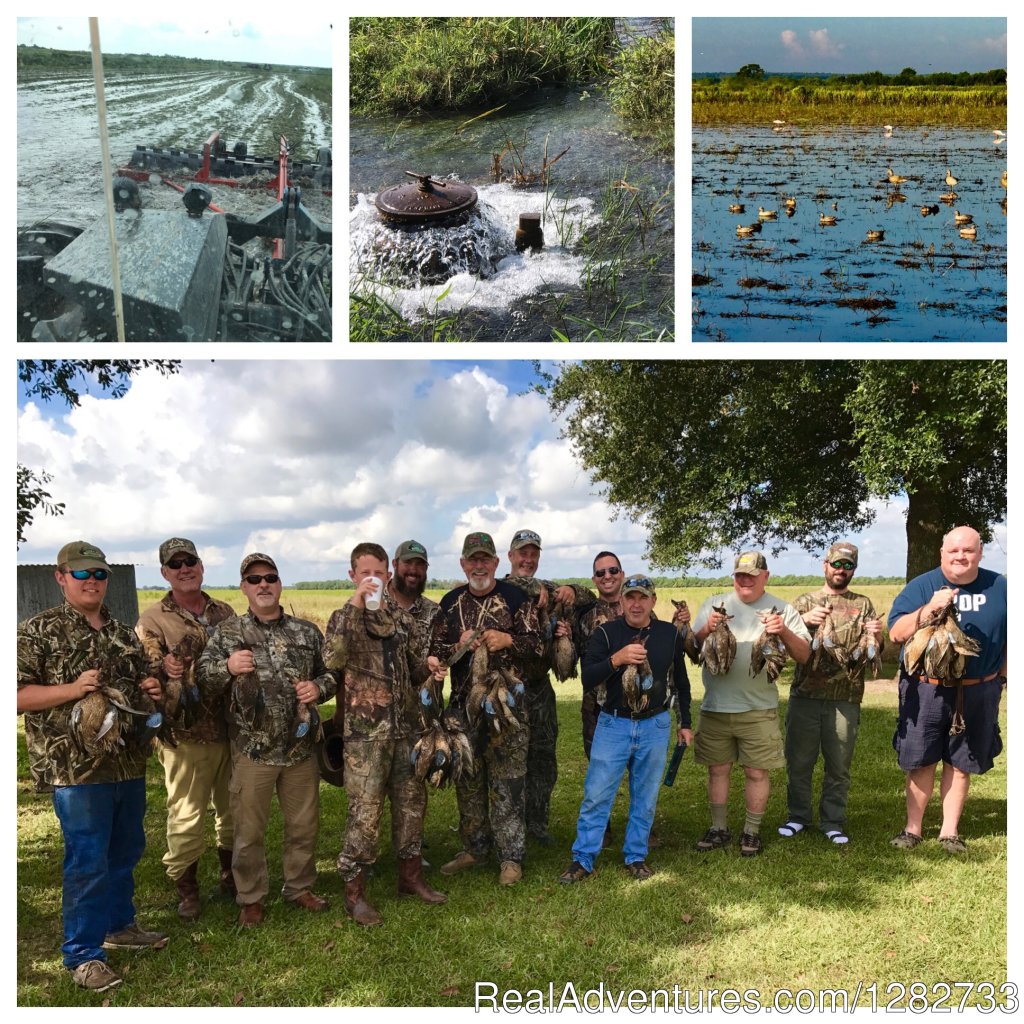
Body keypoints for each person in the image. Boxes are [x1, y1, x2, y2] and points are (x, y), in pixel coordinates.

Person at [17, 541, 167, 993]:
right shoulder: (37, 631)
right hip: (76, 772)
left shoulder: (123, 633)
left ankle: (119, 926)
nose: (93, 582)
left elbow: (140, 688)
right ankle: (83, 954)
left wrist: (151, 687)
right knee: (87, 859)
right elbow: (18, 696)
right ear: (61, 577)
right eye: (82, 575)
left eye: (99, 574)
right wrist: (72, 689)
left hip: (126, 764)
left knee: (125, 850)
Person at [197, 553, 336, 926]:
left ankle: (300, 887)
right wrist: (226, 667)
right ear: (243, 587)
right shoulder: (228, 633)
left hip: (300, 749)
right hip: (252, 750)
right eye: (254, 579)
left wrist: (317, 688)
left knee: (304, 825)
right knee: (248, 831)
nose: (263, 584)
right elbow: (202, 678)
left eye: (270, 578)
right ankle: (251, 897)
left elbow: (331, 675)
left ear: (279, 584)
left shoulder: (306, 632)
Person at [325, 543, 448, 927]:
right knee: (365, 814)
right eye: (365, 573)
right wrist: (356, 606)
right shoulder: (343, 617)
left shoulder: (401, 619)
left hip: (406, 730)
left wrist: (428, 667)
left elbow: (412, 671)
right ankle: (355, 893)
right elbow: (332, 660)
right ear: (353, 576)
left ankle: (410, 878)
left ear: (388, 574)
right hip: (366, 736)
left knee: (412, 803)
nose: (372, 579)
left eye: (378, 572)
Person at [559, 574, 691, 883]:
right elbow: (588, 678)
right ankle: (583, 857)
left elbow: (681, 682)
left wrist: (685, 723)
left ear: (653, 601)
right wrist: (616, 659)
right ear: (621, 600)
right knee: (596, 794)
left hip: (655, 724)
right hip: (613, 723)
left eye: (642, 597)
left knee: (645, 796)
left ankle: (636, 856)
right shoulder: (606, 634)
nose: (636, 603)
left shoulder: (668, 633)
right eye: (630, 597)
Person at [428, 532, 541, 886]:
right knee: (469, 780)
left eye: (485, 559)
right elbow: (436, 654)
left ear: (496, 563)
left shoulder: (515, 597)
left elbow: (539, 647)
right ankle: (475, 848)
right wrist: (455, 645)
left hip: (507, 709)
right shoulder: (449, 603)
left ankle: (511, 858)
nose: (479, 565)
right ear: (463, 564)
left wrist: (509, 639)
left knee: (508, 781)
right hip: (463, 709)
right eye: (472, 559)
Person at [888, 526, 1006, 854]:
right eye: (953, 550)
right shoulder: (921, 586)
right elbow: (896, 633)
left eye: (968, 550)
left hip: (978, 689)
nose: (960, 556)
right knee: (921, 759)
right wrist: (929, 609)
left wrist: (1002, 675)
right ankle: (913, 829)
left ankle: (949, 832)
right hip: (927, 688)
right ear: (942, 552)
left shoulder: (1000, 586)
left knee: (961, 761)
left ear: (980, 554)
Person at [135, 538, 236, 920]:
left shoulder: (224, 611)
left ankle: (229, 874)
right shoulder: (153, 619)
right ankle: (187, 887)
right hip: (185, 735)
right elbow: (143, 672)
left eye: (189, 560)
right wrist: (163, 668)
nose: (183, 568)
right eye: (174, 564)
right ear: (165, 573)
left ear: (201, 565)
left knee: (232, 810)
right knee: (187, 813)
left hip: (229, 728)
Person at [691, 552, 811, 857]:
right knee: (717, 770)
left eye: (751, 575)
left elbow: (804, 655)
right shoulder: (714, 603)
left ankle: (751, 831)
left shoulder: (782, 609)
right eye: (739, 575)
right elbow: (691, 647)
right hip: (716, 706)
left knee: (757, 773)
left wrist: (781, 629)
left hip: (758, 709)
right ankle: (719, 828)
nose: (745, 580)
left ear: (765, 576)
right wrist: (706, 627)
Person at [779, 542, 882, 845]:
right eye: (836, 564)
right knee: (799, 762)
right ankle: (797, 817)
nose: (841, 570)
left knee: (839, 765)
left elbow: (874, 652)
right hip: (805, 696)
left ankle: (833, 821)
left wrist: (877, 634)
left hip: (845, 698)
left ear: (854, 569)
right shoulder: (804, 601)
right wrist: (802, 622)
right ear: (825, 565)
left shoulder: (863, 604)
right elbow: (781, 648)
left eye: (848, 566)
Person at [502, 528, 596, 845]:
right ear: (510, 556)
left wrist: (568, 589)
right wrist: (531, 587)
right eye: (522, 553)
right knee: (506, 762)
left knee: (543, 760)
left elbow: (589, 596)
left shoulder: (551, 590)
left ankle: (537, 825)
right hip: (506, 689)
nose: (528, 558)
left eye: (534, 553)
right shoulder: (499, 591)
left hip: (541, 690)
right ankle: (505, 828)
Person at [385, 539, 440, 635]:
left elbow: (443, 648)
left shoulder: (434, 612)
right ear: (394, 564)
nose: (413, 570)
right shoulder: (371, 603)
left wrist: (459, 645)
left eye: (419, 564)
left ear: (426, 568)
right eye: (408, 562)